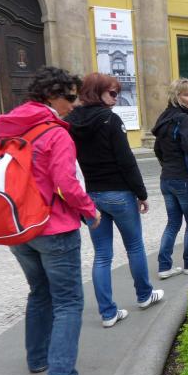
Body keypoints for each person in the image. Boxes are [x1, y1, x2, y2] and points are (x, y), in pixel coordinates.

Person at [0, 66, 99, 375]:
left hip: (19, 227)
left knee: (39, 291)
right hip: (54, 228)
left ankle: (38, 358)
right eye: (70, 97)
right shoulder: (56, 133)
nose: (75, 104)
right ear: (51, 96)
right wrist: (90, 210)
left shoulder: (8, 128)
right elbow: (66, 184)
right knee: (69, 301)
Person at [67, 73, 162, 328]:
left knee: (101, 255)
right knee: (135, 246)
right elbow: (126, 161)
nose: (116, 97)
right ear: (96, 92)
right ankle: (144, 295)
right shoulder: (111, 120)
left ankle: (108, 313)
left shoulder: (70, 122)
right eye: (111, 93)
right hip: (119, 193)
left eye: (117, 92)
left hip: (91, 196)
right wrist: (141, 193)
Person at [152, 78, 188, 277]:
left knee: (173, 223)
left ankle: (164, 267)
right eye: (185, 94)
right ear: (176, 96)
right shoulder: (183, 119)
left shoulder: (164, 118)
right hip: (184, 179)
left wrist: (167, 165)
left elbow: (157, 149)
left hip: (166, 179)